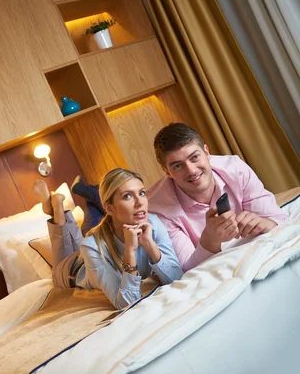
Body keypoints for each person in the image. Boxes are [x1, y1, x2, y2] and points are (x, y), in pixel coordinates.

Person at [33, 168, 183, 310]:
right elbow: (126, 303)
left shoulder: (153, 224)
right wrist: (129, 251)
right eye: (128, 196)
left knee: (86, 237)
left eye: (142, 193)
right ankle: (56, 211)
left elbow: (178, 278)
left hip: (94, 247)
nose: (140, 202)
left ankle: (63, 206)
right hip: (72, 269)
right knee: (64, 258)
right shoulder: (92, 246)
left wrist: (150, 245)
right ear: (109, 208)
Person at [148, 123, 288, 272]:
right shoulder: (157, 209)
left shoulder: (236, 169)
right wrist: (210, 240)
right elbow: (184, 271)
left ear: (207, 152)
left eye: (194, 157)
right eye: (177, 166)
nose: (191, 170)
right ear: (167, 172)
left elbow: (279, 220)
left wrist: (264, 223)